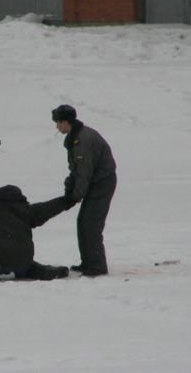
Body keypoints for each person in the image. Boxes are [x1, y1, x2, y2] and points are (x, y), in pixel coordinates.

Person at [52, 105, 117, 277]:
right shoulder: (75, 137)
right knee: (83, 221)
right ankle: (88, 262)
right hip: (94, 182)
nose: (57, 127)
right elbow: (75, 170)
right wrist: (70, 189)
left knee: (91, 223)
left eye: (58, 122)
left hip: (102, 183)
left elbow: (83, 172)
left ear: (66, 122)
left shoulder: (82, 140)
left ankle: (97, 267)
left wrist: (75, 196)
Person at [0, 185, 71, 282]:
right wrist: (67, 200)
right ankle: (44, 271)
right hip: (22, 260)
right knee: (25, 265)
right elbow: (49, 208)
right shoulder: (27, 211)